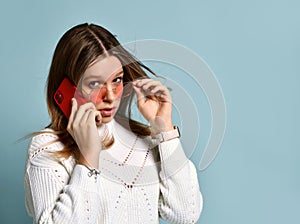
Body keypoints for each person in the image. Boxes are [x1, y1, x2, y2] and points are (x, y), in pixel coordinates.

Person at [24, 23, 203, 224]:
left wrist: (165, 131)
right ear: (67, 89)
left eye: (116, 80)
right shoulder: (47, 148)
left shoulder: (142, 140)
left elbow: (186, 215)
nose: (110, 96)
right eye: (94, 83)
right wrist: (88, 158)